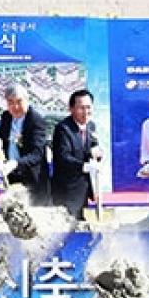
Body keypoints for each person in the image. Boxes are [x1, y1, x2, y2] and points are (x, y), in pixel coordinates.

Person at [51, 89, 103, 219]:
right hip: (67, 190)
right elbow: (63, 157)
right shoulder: (63, 129)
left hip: (84, 188)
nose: (85, 112)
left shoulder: (91, 126)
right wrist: (84, 166)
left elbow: (91, 148)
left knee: (82, 225)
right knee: (69, 229)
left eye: (88, 107)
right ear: (71, 109)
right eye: (81, 108)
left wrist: (97, 153)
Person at [0, 84, 49, 203]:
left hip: (32, 180)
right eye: (11, 102)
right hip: (12, 176)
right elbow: (1, 135)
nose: (15, 106)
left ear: (27, 100)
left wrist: (15, 163)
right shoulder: (6, 116)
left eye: (19, 101)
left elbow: (37, 154)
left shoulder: (36, 120)